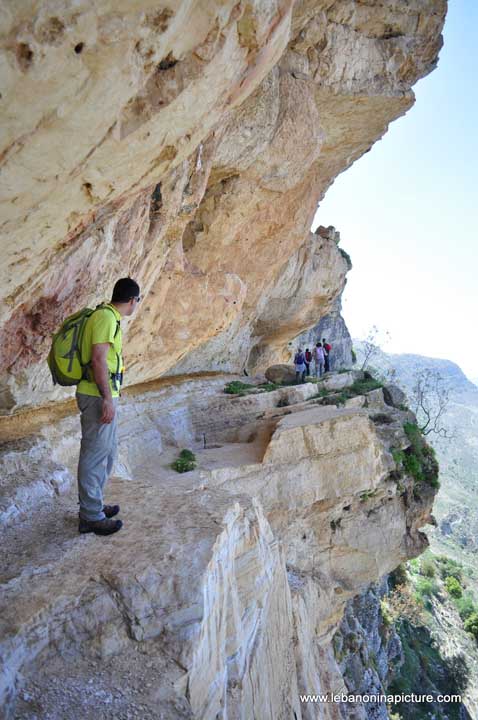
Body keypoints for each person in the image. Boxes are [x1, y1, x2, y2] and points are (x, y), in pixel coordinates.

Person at [77, 278, 141, 536]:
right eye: (138, 301)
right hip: (96, 396)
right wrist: (106, 398)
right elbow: (98, 360)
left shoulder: (109, 317)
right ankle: (90, 517)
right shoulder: (104, 318)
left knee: (107, 452)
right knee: (94, 455)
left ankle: (95, 505)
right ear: (132, 300)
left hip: (103, 394)